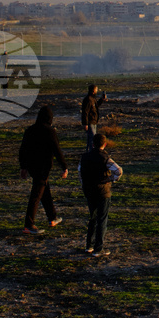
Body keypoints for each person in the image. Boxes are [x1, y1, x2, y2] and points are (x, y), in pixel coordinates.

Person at [19, 105, 68, 234]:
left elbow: (23, 150)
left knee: (44, 192)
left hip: (32, 166)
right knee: (36, 196)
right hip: (43, 167)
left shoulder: (30, 130)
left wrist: (23, 167)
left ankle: (52, 217)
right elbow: (57, 150)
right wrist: (64, 167)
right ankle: (29, 225)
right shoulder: (49, 131)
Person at [79, 133, 123, 257]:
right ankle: (99, 248)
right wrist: (111, 179)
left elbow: (80, 171)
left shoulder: (85, 157)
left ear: (92, 144)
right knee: (102, 219)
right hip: (103, 192)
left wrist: (84, 184)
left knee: (92, 217)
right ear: (104, 144)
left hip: (89, 191)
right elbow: (118, 170)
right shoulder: (105, 158)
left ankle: (89, 246)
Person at [81, 84, 107, 152]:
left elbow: (96, 106)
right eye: (96, 90)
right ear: (93, 91)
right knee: (92, 139)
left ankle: (89, 153)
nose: (97, 91)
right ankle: (91, 153)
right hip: (90, 122)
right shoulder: (88, 100)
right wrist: (85, 123)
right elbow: (85, 112)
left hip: (94, 121)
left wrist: (102, 99)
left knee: (91, 139)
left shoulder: (92, 99)